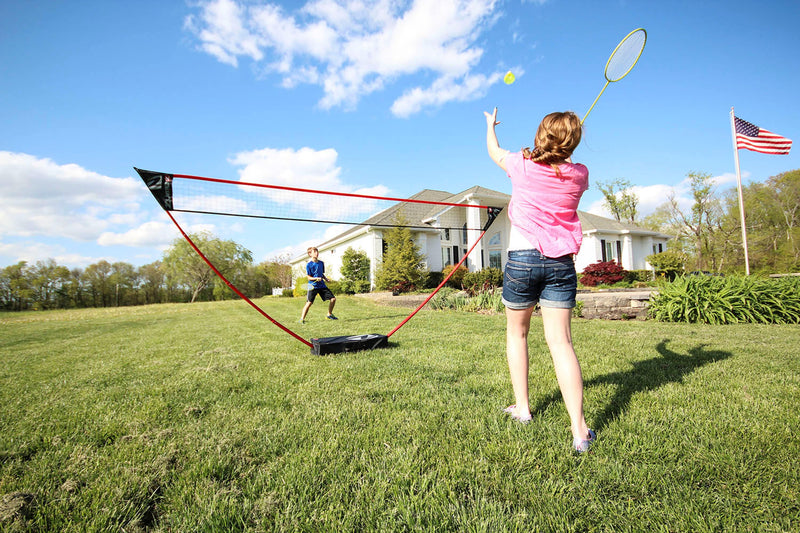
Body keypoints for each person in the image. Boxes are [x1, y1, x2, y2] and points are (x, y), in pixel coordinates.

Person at [483, 107, 596, 453]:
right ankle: (579, 431)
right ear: (573, 142)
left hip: (523, 260)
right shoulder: (581, 175)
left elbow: (493, 151)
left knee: (517, 334)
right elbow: (561, 165)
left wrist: (490, 126)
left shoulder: (521, 165)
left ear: (541, 136)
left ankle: (523, 408)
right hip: (561, 265)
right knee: (561, 343)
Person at [300, 246, 338, 323]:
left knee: (333, 299)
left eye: (317, 252)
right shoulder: (309, 265)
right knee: (309, 303)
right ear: (310, 254)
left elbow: (322, 274)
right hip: (313, 286)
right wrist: (316, 278)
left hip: (322, 285)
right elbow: (309, 278)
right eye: (314, 252)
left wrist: (325, 279)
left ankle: (329, 314)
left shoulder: (321, 263)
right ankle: (302, 319)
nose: (317, 253)